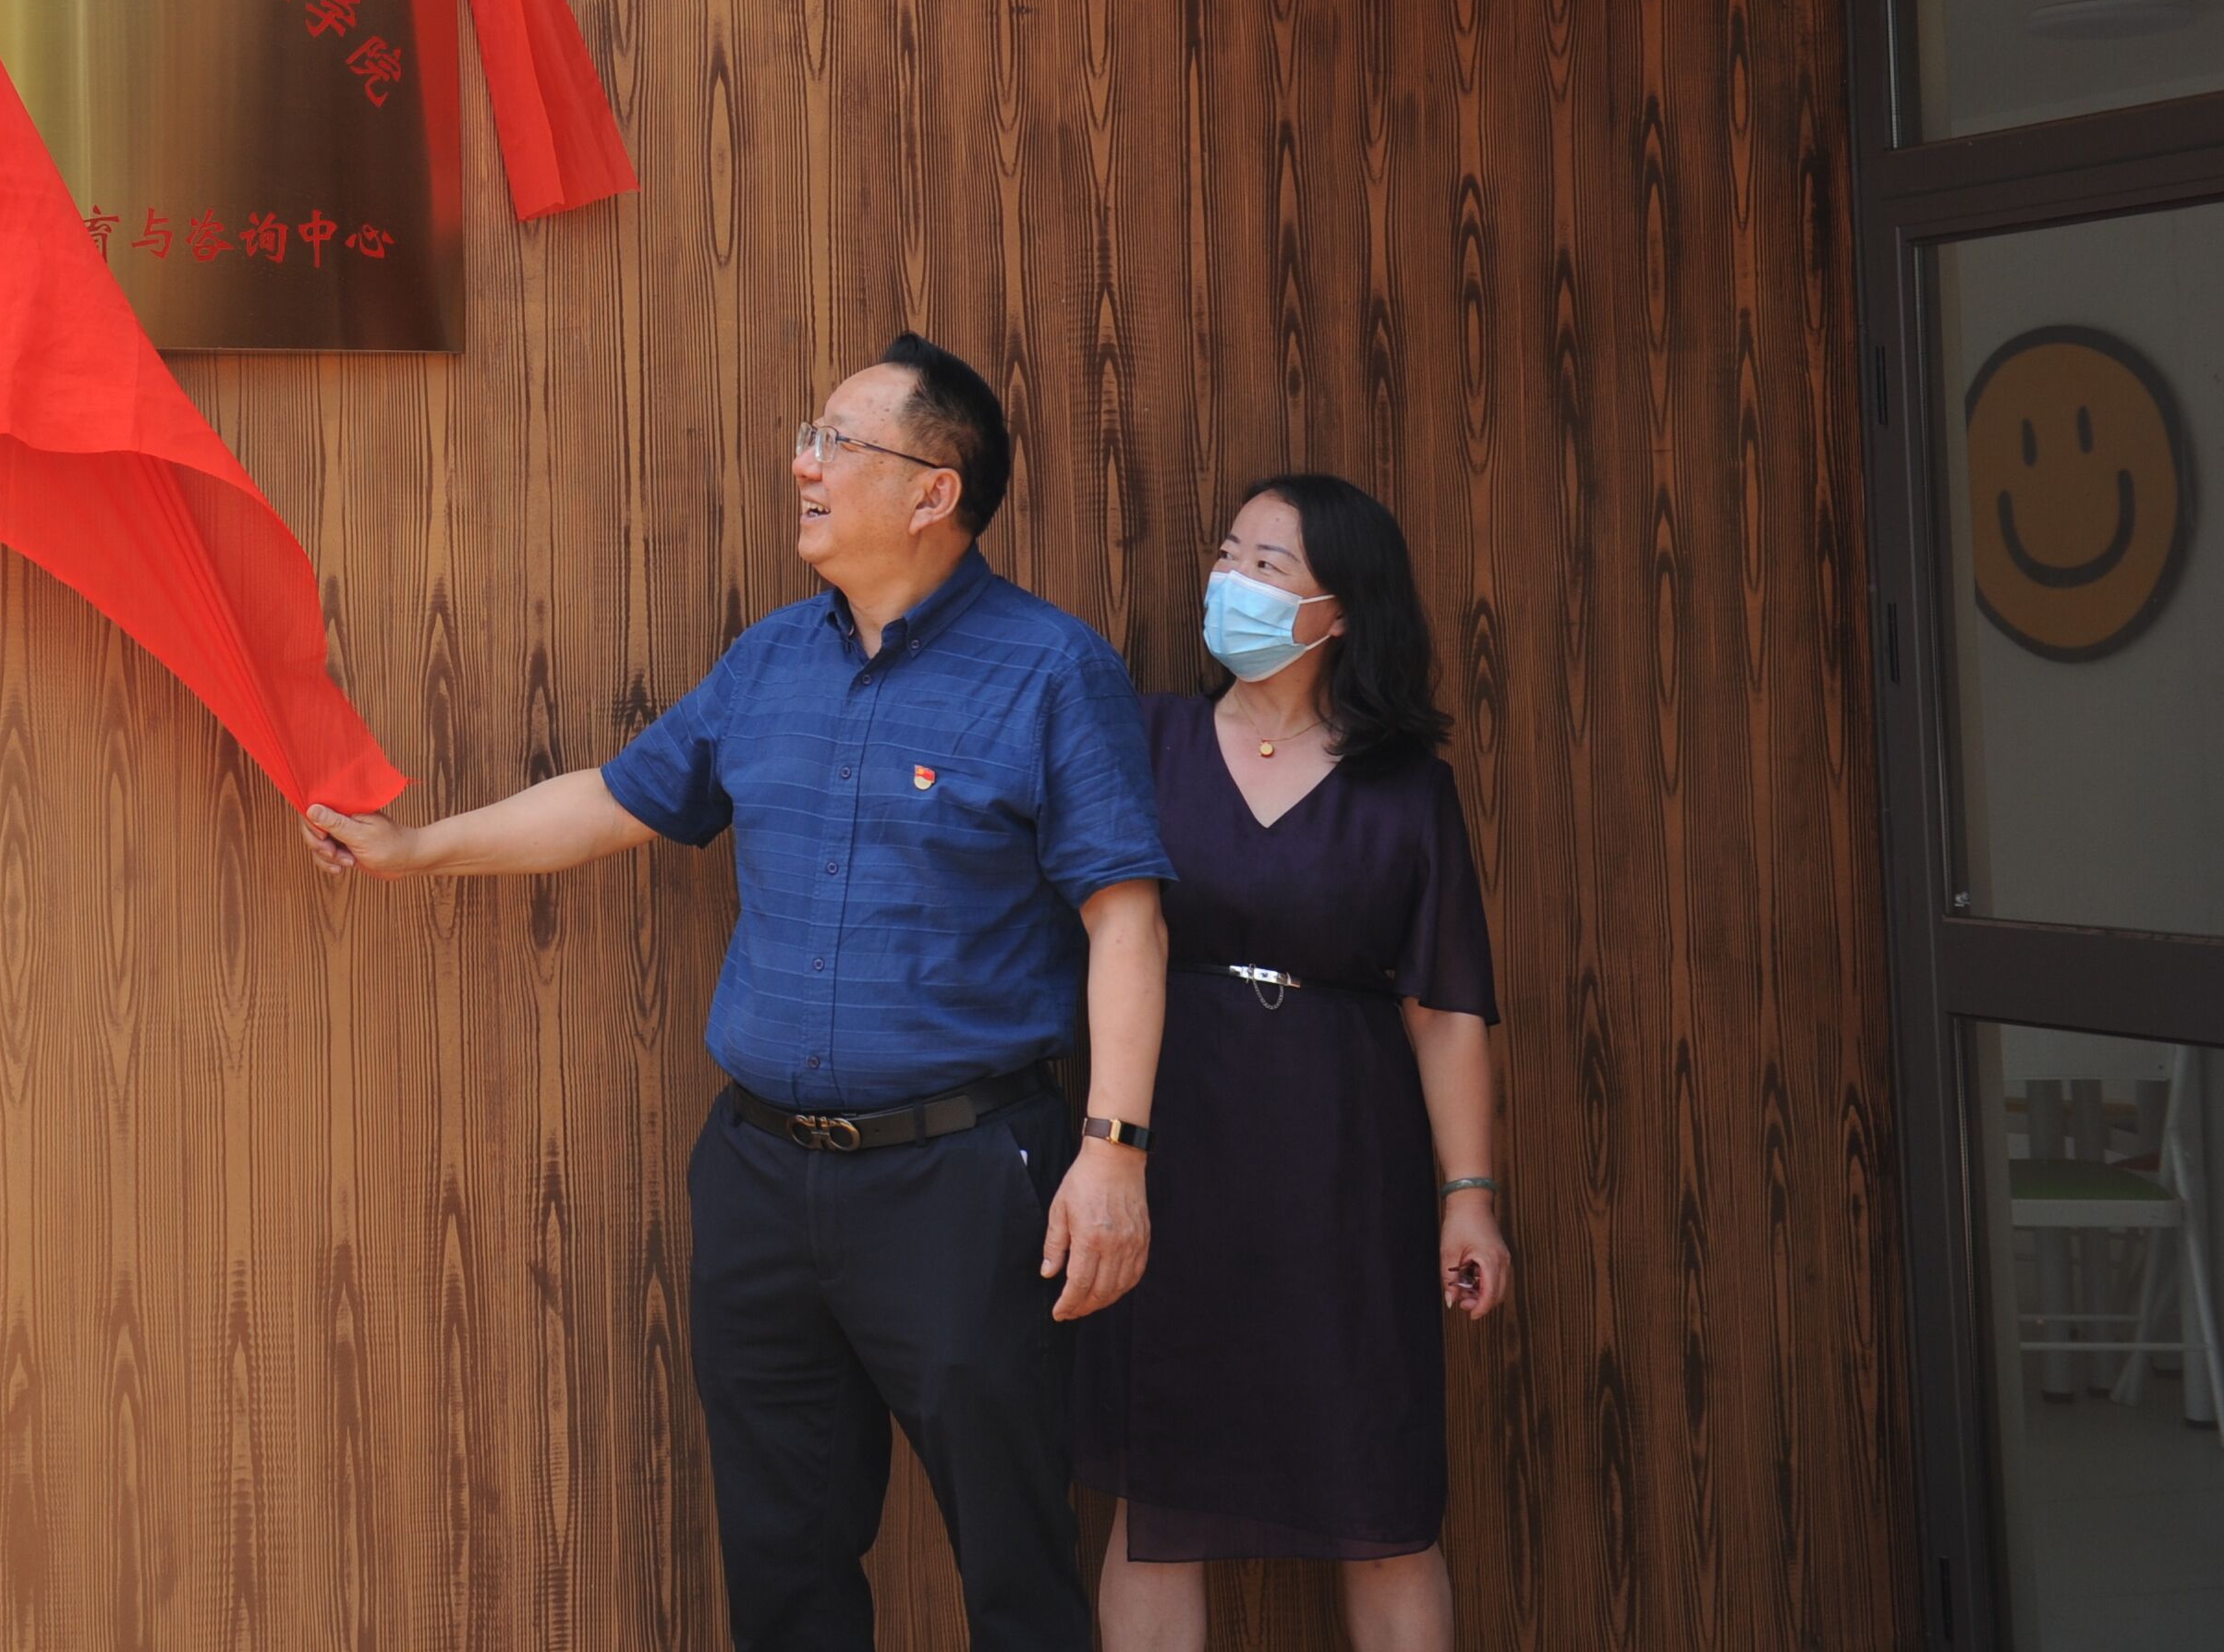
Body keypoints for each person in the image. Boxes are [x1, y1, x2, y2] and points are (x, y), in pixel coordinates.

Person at [301, 333, 1173, 1652]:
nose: (803, 465)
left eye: (837, 442)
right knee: (781, 1562)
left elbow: (1126, 919)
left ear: (934, 492)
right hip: (762, 1178)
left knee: (1013, 1559)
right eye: (809, 437)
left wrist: (1113, 1153)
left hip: (962, 1180)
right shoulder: (769, 662)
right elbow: (615, 800)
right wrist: (417, 850)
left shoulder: (1053, 672)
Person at [1073, 474, 1507, 1652]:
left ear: (1340, 609)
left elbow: (1443, 1010)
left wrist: (1469, 1196)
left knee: (1379, 1500)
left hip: (1343, 1168)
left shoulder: (1406, 786)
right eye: (1227, 553)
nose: (1230, 580)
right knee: (1157, 1500)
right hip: (1168, 1149)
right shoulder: (1142, 738)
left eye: (1266, 566)